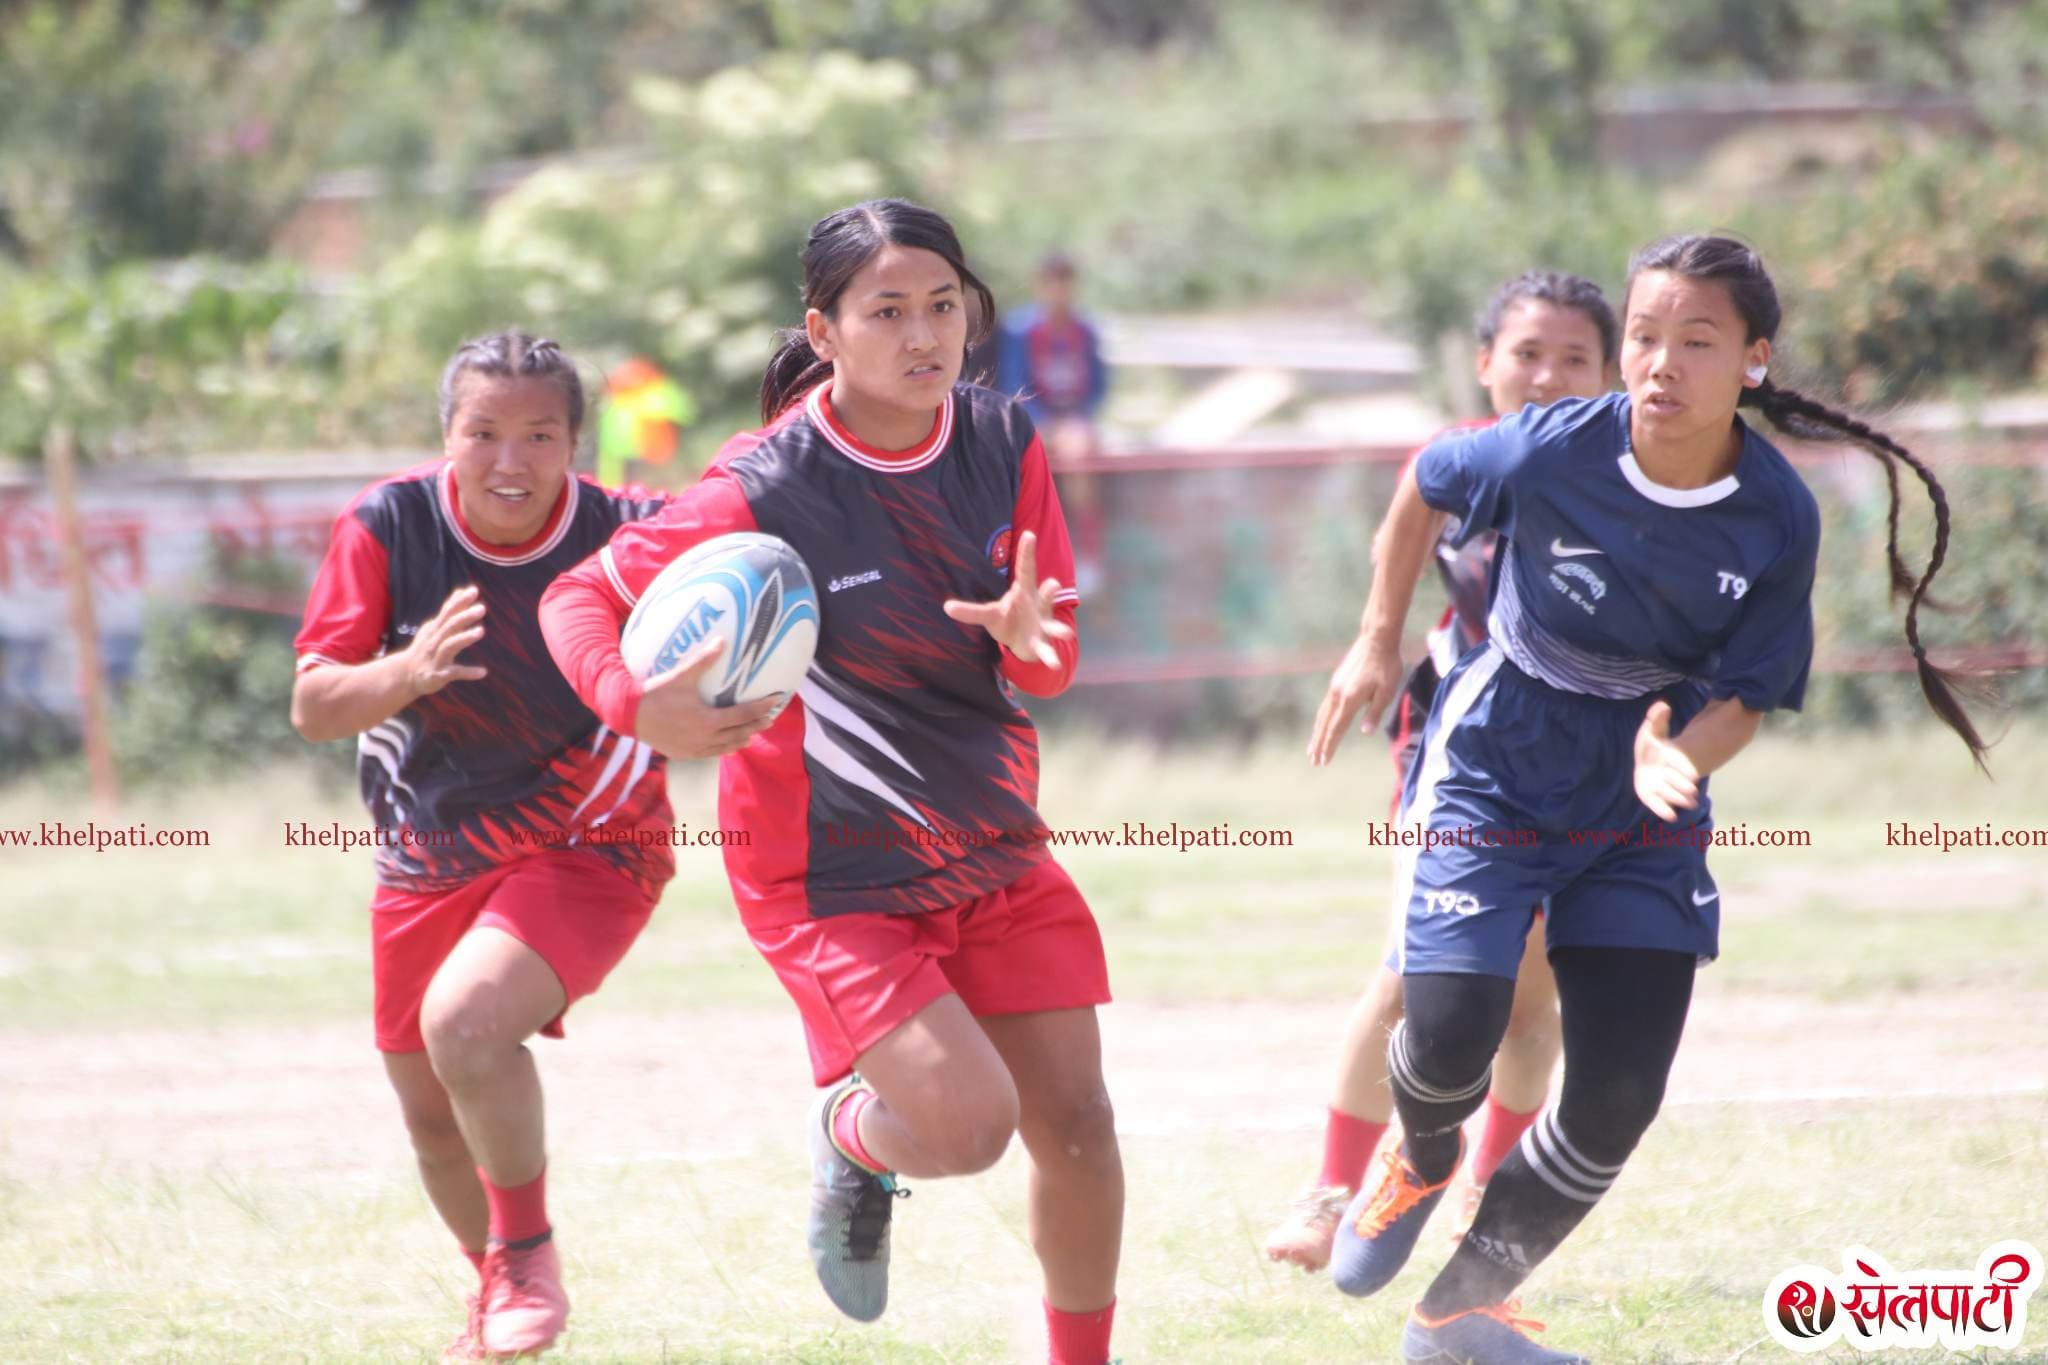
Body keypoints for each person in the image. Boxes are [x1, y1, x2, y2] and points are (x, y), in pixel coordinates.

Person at [1304, 234, 1985, 1364]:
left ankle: (1459, 1313)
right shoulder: (1545, 450)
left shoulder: (1773, 513)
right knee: (1450, 1033)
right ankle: (1419, 1156)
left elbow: (1750, 694)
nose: (1658, 363)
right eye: (1642, 336)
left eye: (1694, 341)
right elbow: (1425, 484)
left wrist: (1679, 761)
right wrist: (1375, 641)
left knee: (1617, 1090)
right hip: (1499, 754)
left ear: (1752, 361)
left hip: (1645, 791)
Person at [538, 200, 1123, 1365]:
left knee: (1077, 1124)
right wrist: (629, 699)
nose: (924, 336)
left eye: (944, 307)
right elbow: (576, 597)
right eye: (888, 311)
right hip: (830, 872)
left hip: (989, 836)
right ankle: (858, 1140)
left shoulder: (1003, 440)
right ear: (825, 328)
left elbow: (1050, 665)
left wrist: (1023, 637)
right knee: (968, 1130)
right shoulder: (762, 486)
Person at [289, 331, 755, 1362]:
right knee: (428, 1114)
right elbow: (314, 705)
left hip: (594, 839)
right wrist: (403, 672)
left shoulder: (635, 533)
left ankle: (528, 1255)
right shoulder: (388, 524)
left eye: (539, 435)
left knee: (464, 1025)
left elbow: (762, 582)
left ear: (576, 443)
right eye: (483, 433)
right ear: (445, 438)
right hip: (428, 850)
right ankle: (497, 1286)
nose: (510, 460)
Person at [1266, 271, 1619, 1279]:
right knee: (1409, 975)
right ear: (1484, 364)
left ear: (1608, 372)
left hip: (1586, 766)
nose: (1546, 375)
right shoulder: (1460, 462)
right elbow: (1404, 525)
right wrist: (1373, 643)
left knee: (1535, 989)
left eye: (1572, 358)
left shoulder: (1632, 471)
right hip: (1460, 755)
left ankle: (1491, 1193)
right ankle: (1331, 1191)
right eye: (1525, 354)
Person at [996, 251, 1110, 593]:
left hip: (1074, 423)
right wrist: (1042, 423)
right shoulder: (1021, 330)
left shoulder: (1084, 330)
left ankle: (1088, 553)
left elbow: (1098, 385)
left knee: (1078, 455)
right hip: (1036, 420)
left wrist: (1079, 419)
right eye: (1052, 283)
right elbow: (1013, 383)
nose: (1059, 291)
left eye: (1065, 283)